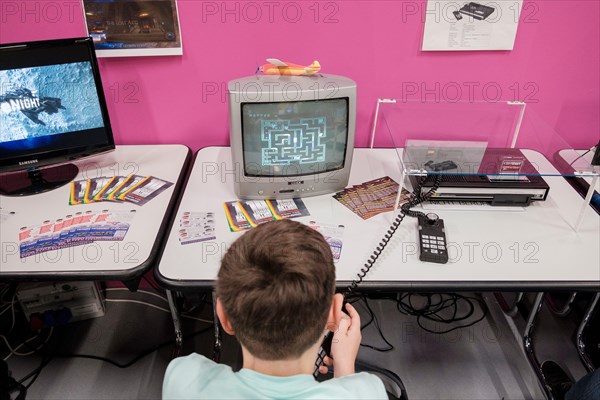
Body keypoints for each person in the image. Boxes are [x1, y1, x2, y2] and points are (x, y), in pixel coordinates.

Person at [162, 219, 387, 399]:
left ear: (224, 315)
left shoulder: (184, 378)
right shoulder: (368, 392)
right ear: (334, 311)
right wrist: (344, 368)